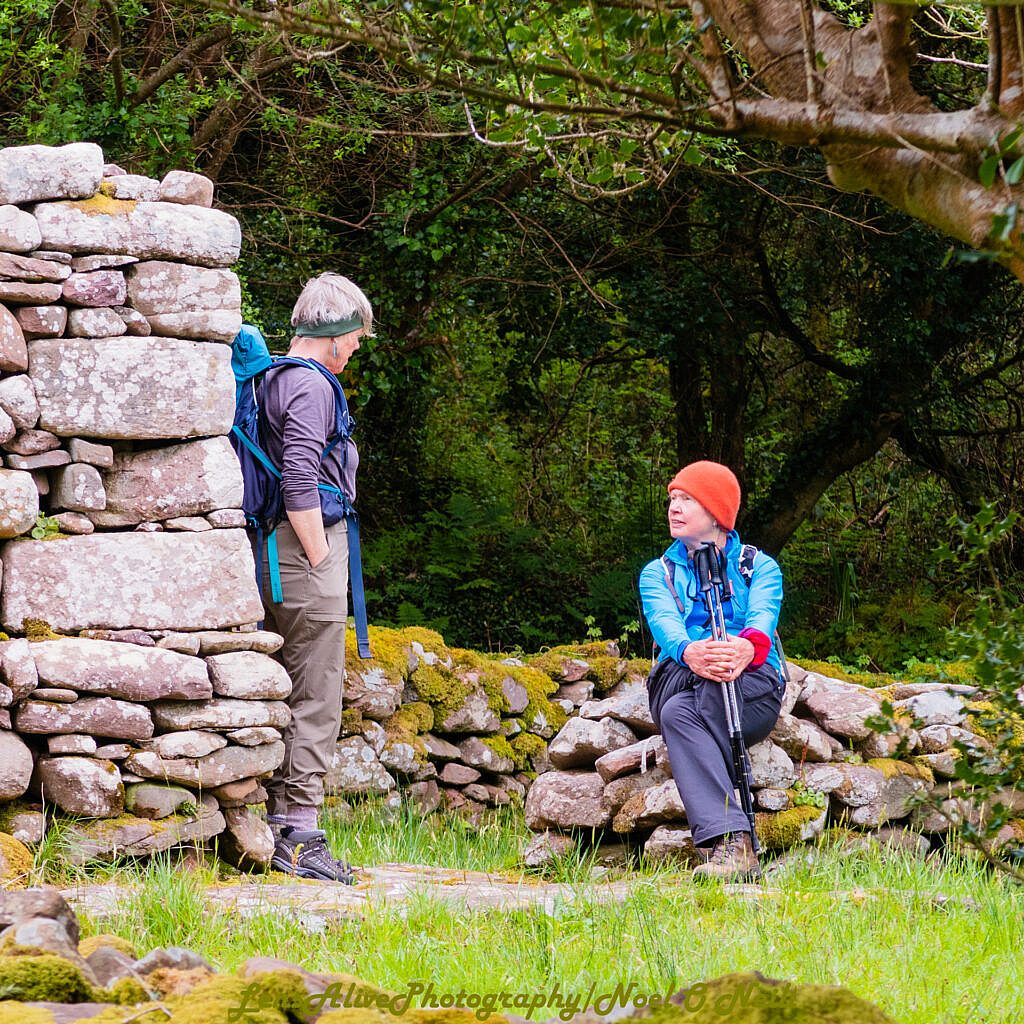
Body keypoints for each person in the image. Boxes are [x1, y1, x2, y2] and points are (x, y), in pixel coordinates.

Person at [256, 271, 374, 883]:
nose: (356, 348)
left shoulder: (273, 378)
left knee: (292, 690)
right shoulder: (313, 387)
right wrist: (323, 558)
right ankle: (299, 834)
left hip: (274, 553)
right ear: (335, 334)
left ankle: (274, 824)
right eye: (355, 337)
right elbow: (300, 475)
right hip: (304, 552)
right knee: (316, 694)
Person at [639, 460, 784, 882]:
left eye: (687, 499)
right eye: (672, 499)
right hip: (681, 673)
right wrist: (690, 652)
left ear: (717, 512)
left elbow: (762, 617)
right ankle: (733, 844)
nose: (674, 507)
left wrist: (744, 647)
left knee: (678, 715)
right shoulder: (657, 573)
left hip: (750, 683)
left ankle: (729, 845)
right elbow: (666, 625)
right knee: (692, 695)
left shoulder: (759, 566)